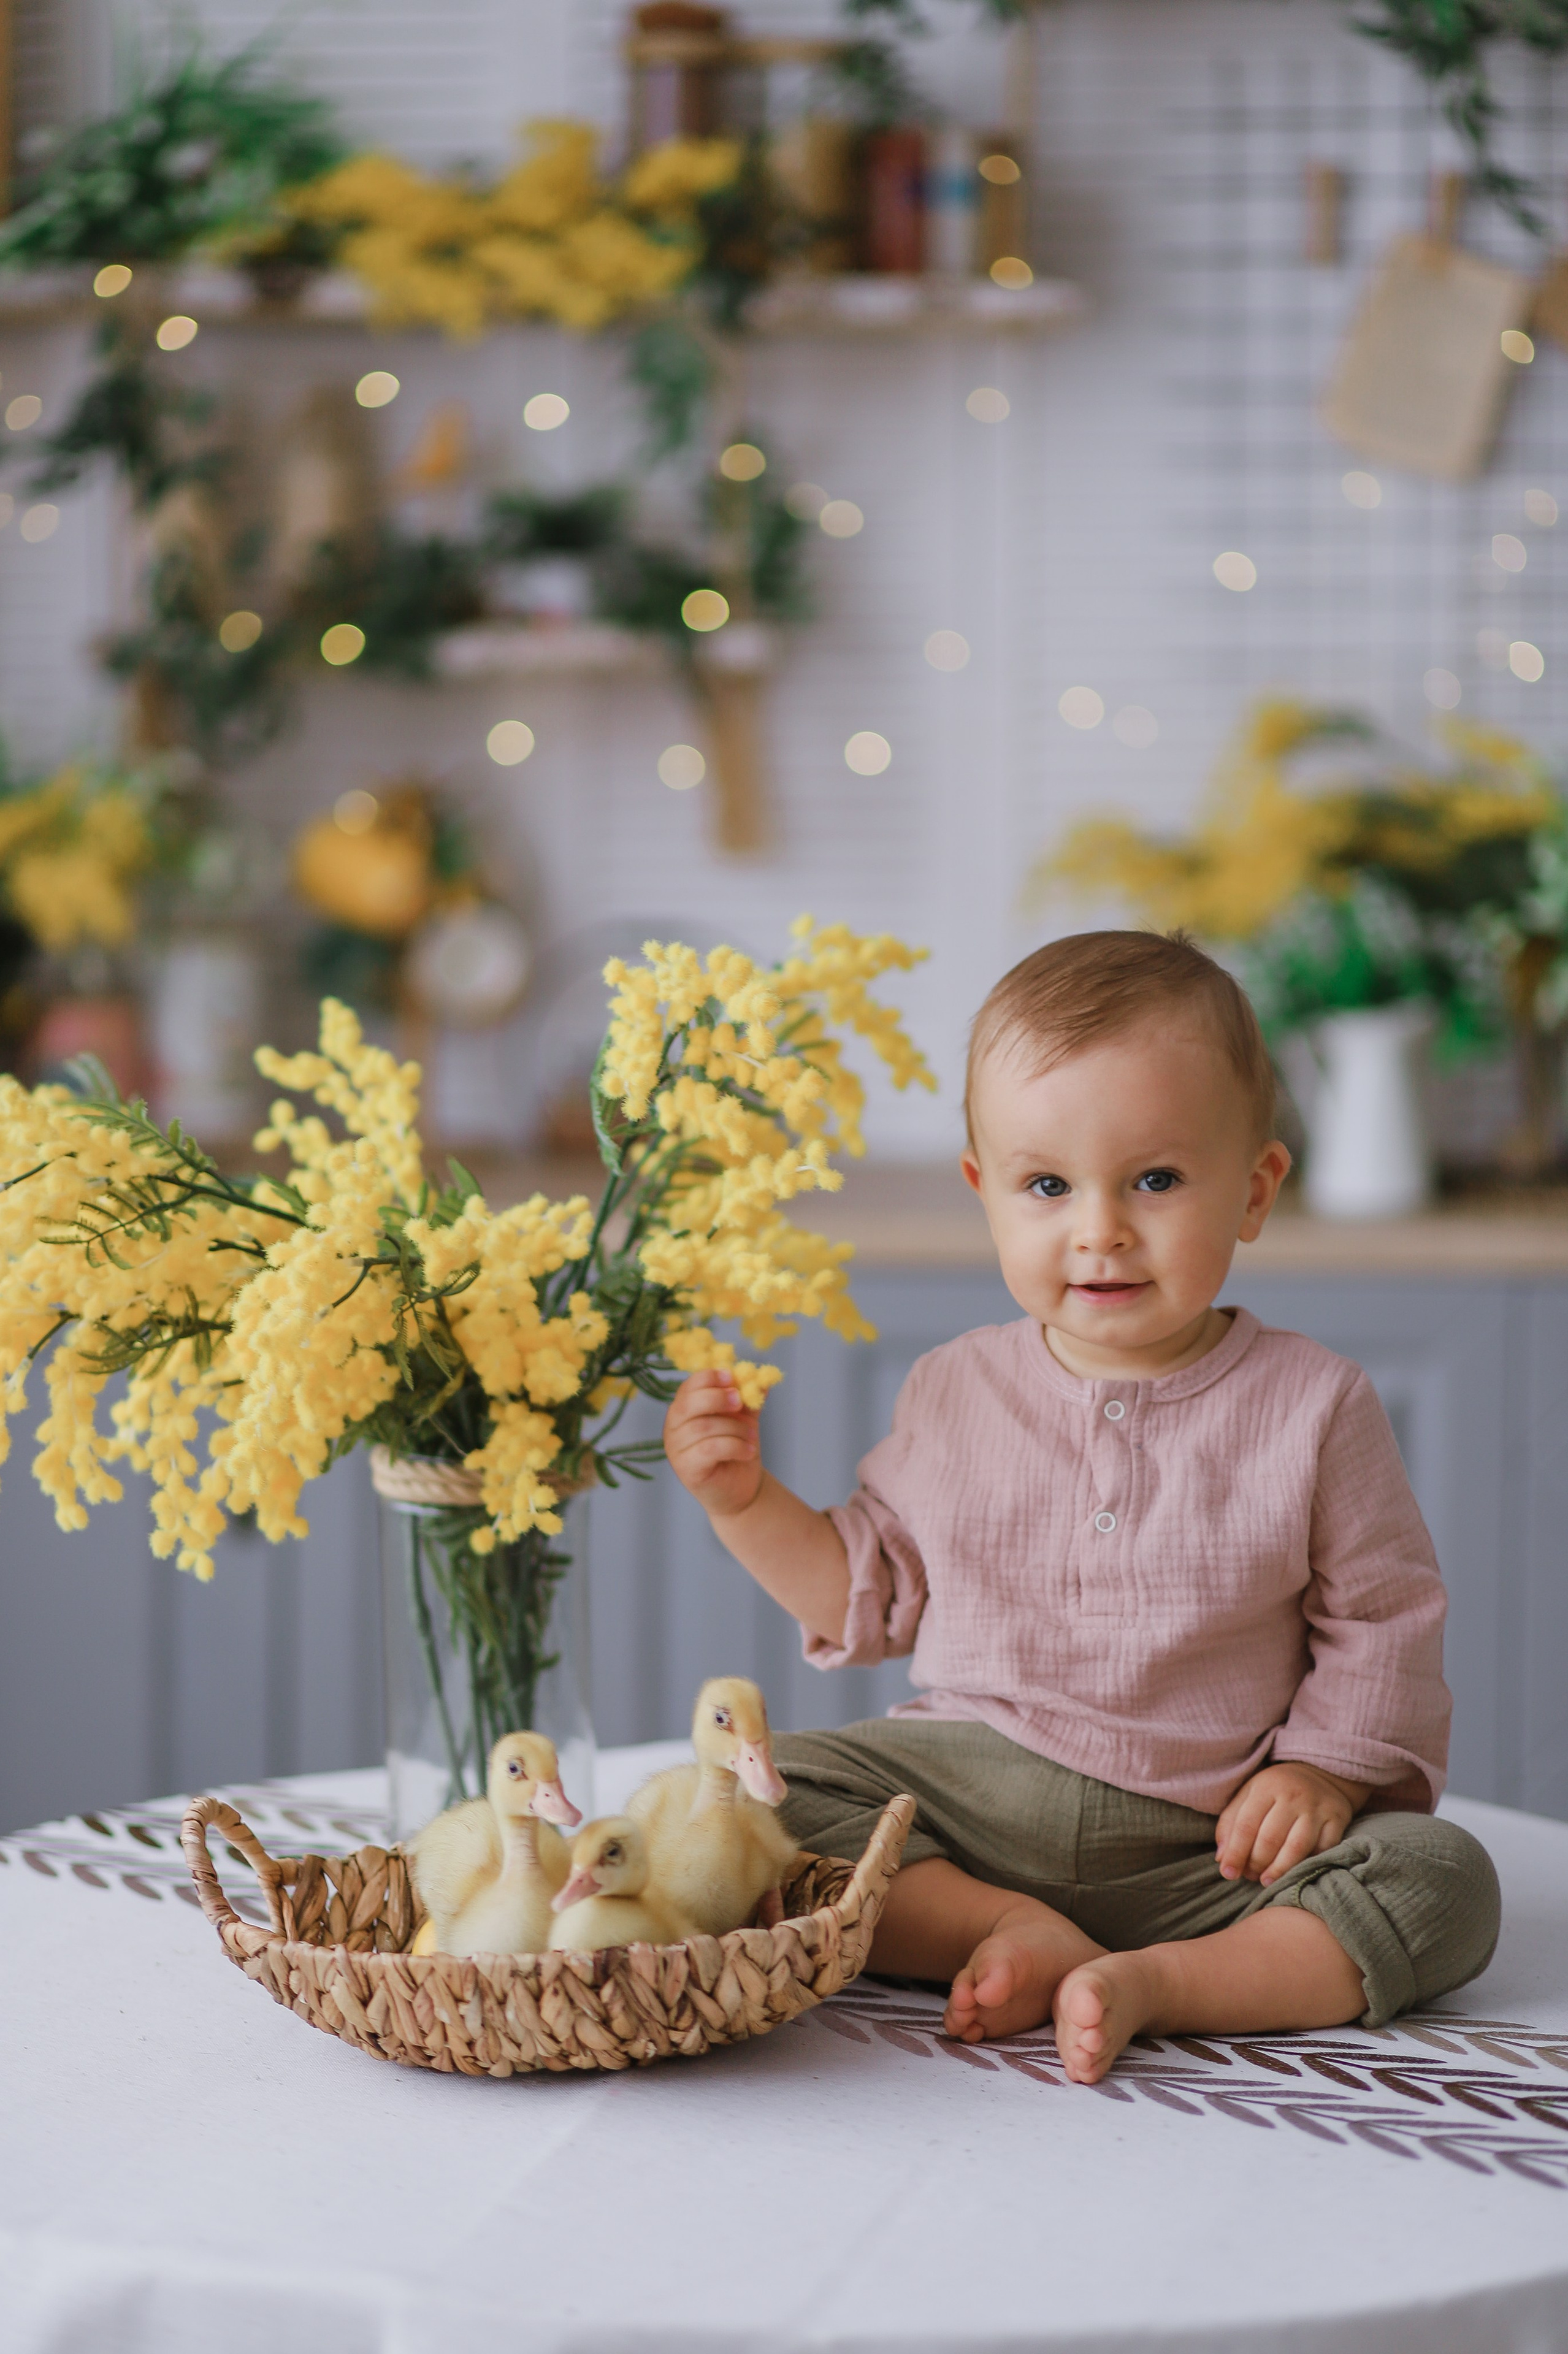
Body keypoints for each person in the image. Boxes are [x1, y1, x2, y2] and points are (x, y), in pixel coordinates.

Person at [662, 930, 1501, 2083]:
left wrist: (1320, 1772)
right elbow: (867, 1595)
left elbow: (1384, 1619)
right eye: (1047, 1186)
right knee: (743, 1801)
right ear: (985, 1192)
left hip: (1208, 1841)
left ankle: (1164, 1984)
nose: (1098, 1228)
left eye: (1154, 1180)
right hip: (966, 1797)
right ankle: (1000, 1929)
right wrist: (742, 1501)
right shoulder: (956, 1386)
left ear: (1253, 1190)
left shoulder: (1314, 1403)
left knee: (1440, 1882)